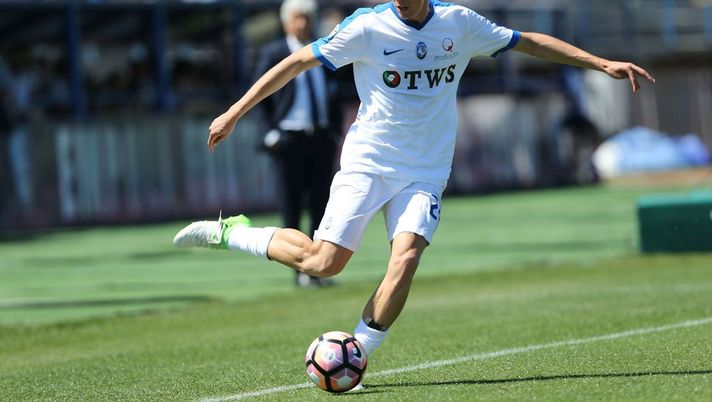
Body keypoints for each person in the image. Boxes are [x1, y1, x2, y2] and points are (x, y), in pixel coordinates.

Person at [174, 0, 654, 379]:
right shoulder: (368, 26)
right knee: (323, 262)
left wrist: (599, 62)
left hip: (425, 170)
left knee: (405, 258)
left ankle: (355, 354)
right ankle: (230, 233)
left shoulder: (459, 23)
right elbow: (298, 61)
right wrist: (236, 111)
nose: (400, 2)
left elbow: (526, 41)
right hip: (368, 163)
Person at [255, 0, 344, 288]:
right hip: (288, 139)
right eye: (297, 18)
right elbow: (260, 99)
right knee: (291, 206)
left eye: (307, 17)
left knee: (322, 206)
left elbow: (336, 94)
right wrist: (270, 133)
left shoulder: (325, 49)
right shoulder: (274, 53)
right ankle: (298, 270)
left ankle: (318, 268)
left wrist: (334, 130)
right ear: (285, 22)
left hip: (319, 137)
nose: (303, 23)